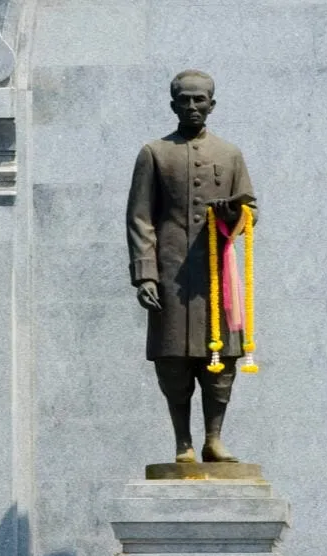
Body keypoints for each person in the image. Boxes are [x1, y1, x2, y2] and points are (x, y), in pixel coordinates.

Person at [126, 69, 256, 464]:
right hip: (170, 273)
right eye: (184, 99)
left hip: (218, 275)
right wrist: (145, 273)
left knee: (221, 363)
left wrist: (234, 212)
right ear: (173, 105)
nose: (192, 106)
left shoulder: (230, 154)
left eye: (200, 100)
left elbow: (250, 213)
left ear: (212, 105)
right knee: (173, 361)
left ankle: (213, 439)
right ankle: (182, 442)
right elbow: (140, 216)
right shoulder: (154, 153)